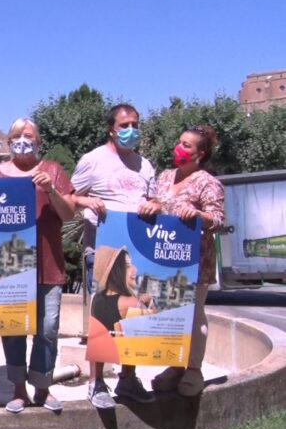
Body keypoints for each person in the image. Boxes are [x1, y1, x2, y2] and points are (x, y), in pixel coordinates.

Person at [0, 118, 75, 413]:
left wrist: (52, 191)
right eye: (18, 136)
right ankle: (18, 388)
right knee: (13, 328)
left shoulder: (53, 171)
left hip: (49, 264)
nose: (24, 140)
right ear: (8, 142)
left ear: (39, 142)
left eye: (29, 135)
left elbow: (69, 213)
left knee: (47, 328)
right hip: (10, 268)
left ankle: (43, 387)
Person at [71, 103, 160, 408]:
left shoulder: (145, 165)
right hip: (104, 251)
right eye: (124, 125)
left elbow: (154, 199)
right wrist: (87, 200)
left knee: (132, 315)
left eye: (135, 123)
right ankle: (96, 383)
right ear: (111, 128)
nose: (130, 129)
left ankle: (128, 379)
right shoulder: (92, 160)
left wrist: (155, 205)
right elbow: (68, 199)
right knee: (104, 315)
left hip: (138, 251)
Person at [148, 125, 225, 396]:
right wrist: (153, 206)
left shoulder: (207, 182)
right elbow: (157, 203)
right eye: (179, 142)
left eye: (186, 145)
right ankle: (175, 365)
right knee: (170, 312)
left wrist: (196, 214)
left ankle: (193, 369)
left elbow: (217, 219)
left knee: (193, 315)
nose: (179, 148)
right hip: (166, 258)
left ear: (200, 154)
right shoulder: (165, 176)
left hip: (196, 260)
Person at [91, 246, 157, 334]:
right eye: (127, 266)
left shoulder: (96, 298)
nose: (135, 270)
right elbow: (155, 327)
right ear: (117, 272)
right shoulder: (131, 303)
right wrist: (151, 303)